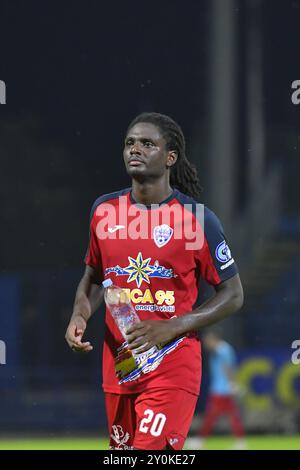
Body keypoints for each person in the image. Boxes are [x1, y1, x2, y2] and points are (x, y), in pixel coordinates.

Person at [65, 112, 244, 450]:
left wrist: (174, 325)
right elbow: (93, 277)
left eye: (148, 144)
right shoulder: (104, 211)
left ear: (170, 157)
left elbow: (233, 294)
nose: (136, 149)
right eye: (130, 143)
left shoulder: (196, 220)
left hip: (172, 365)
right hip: (119, 367)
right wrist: (80, 313)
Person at [187, 329, 246, 450]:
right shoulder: (222, 349)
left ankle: (200, 441)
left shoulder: (222, 350)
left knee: (212, 416)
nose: (207, 344)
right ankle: (240, 441)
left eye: (208, 341)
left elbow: (227, 367)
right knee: (230, 416)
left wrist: (232, 383)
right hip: (221, 389)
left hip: (221, 390)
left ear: (214, 339)